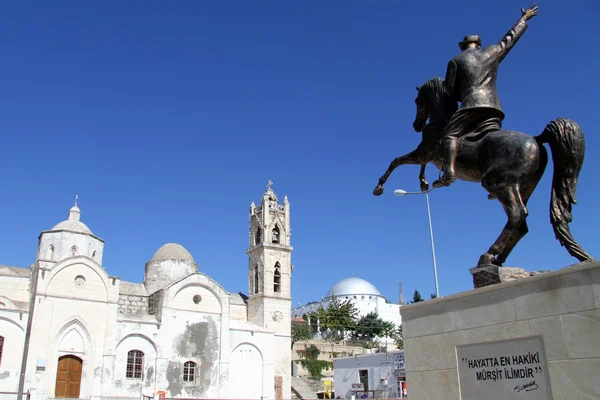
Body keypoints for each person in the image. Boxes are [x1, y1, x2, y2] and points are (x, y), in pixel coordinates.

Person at [433, 3, 539, 187]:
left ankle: (449, 171)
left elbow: (450, 91)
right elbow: (509, 40)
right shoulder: (492, 52)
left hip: (471, 106)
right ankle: (499, 174)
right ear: (479, 45)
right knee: (489, 140)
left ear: (463, 47)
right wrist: (523, 19)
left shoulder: (455, 61)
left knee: (449, 135)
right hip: (494, 109)